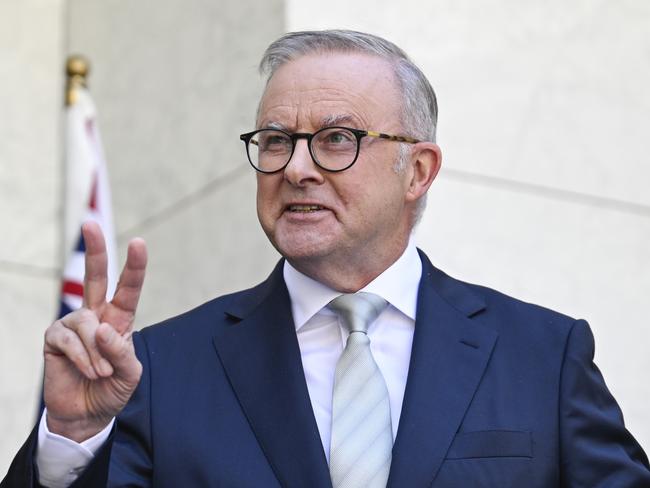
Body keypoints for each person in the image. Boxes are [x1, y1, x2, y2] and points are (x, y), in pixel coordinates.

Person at [3, 29, 649, 488]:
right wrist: (69, 439)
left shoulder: (542, 356)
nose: (297, 168)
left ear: (417, 171)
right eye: (277, 140)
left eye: (337, 139)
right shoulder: (162, 369)